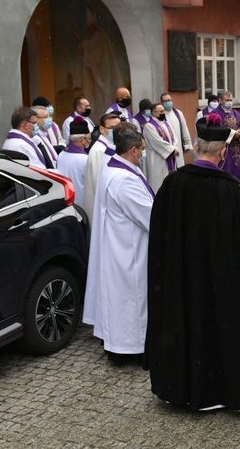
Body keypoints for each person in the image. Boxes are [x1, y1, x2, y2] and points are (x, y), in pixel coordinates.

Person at [145, 114, 240, 411]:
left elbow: (159, 241)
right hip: (221, 282)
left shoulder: (172, 184)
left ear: (196, 147)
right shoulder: (228, 189)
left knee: (187, 323)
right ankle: (225, 388)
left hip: (183, 278)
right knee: (221, 326)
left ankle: (183, 387)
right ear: (223, 153)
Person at [86, 122, 154, 365]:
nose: (144, 153)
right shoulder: (124, 179)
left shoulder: (114, 166)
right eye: (143, 149)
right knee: (132, 301)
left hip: (120, 245)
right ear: (133, 150)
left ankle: (119, 345)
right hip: (129, 250)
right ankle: (132, 348)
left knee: (121, 300)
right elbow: (150, 216)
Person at [83, 111, 122, 222]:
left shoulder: (112, 145)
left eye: (118, 127)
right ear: (101, 129)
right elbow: (100, 183)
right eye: (112, 128)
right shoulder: (99, 151)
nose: (116, 131)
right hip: (102, 206)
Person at [56, 117, 91, 208]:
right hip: (82, 203)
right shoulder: (85, 159)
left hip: (66, 201)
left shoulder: (61, 155)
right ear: (83, 139)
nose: (89, 141)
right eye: (89, 138)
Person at [143, 102, 178, 192]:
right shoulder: (149, 126)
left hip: (170, 156)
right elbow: (157, 142)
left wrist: (174, 147)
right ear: (154, 113)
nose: (164, 113)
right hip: (158, 159)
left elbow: (174, 138)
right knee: (159, 184)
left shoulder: (166, 123)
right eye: (161, 111)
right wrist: (171, 150)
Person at [214, 91, 240, 182]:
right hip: (224, 148)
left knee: (238, 173)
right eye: (227, 100)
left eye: (231, 100)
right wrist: (233, 133)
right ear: (220, 101)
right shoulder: (215, 114)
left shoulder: (235, 113)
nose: (229, 102)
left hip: (237, 147)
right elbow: (217, 128)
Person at [160, 92, 194, 167]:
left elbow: (184, 129)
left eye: (169, 100)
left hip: (178, 147)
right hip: (168, 148)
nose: (168, 102)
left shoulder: (178, 113)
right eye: (165, 101)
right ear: (161, 103)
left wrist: (188, 144)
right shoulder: (160, 115)